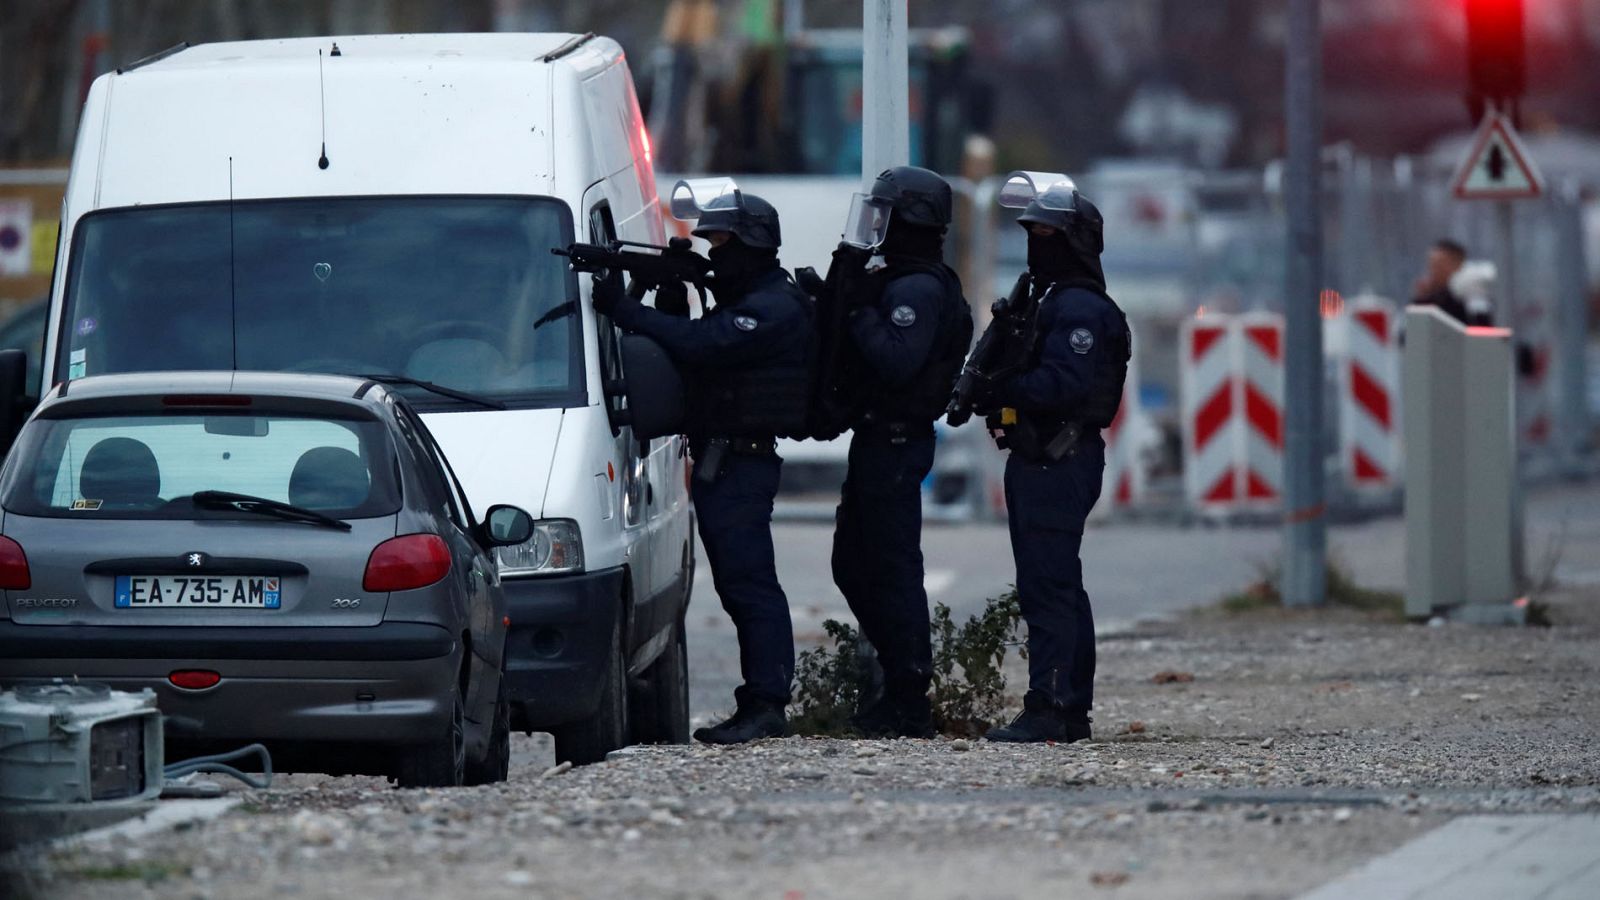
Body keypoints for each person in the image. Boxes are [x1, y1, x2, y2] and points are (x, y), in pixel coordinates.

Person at [593, 190, 813, 744]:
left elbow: (706, 345)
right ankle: (760, 700)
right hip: (726, 464)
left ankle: (767, 704)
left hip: (741, 464)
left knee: (750, 585)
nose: (713, 256)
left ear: (752, 246)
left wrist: (628, 309)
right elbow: (695, 350)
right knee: (741, 587)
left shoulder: (772, 306)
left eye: (720, 243)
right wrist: (669, 296)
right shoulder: (746, 298)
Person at [979, 180, 1130, 744]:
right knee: (1053, 583)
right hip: (1039, 456)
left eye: (1047, 234)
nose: (1036, 243)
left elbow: (1064, 383)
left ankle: (1053, 705)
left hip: (1058, 457)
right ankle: (1064, 705)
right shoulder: (1049, 301)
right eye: (1032, 233)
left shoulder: (1082, 308)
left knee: (1050, 586)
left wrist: (1004, 385)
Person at [830, 166, 974, 737]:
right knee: (854, 564)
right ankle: (899, 683)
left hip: (896, 440)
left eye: (888, 214)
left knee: (891, 569)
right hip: (879, 439)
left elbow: (896, 359)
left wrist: (857, 312)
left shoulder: (917, 287)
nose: (878, 225)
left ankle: (909, 697)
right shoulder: (906, 279)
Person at [1410, 239, 1489, 326]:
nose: (1433, 271)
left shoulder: (1470, 296)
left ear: (1458, 265)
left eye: (1440, 265)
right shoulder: (1427, 298)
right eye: (1431, 265)